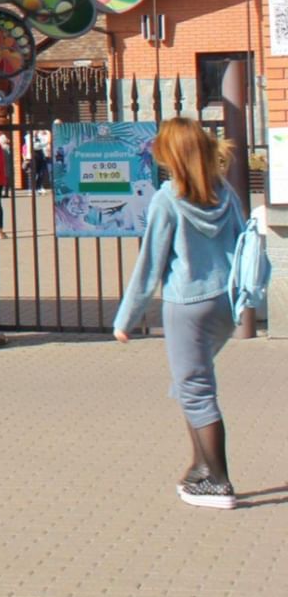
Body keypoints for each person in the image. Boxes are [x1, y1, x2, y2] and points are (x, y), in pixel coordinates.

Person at [113, 119, 250, 510]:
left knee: (195, 389)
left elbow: (150, 264)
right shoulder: (224, 193)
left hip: (187, 305)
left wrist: (126, 318)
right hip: (224, 302)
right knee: (191, 382)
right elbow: (243, 244)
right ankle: (199, 468)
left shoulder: (167, 199)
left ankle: (219, 482)